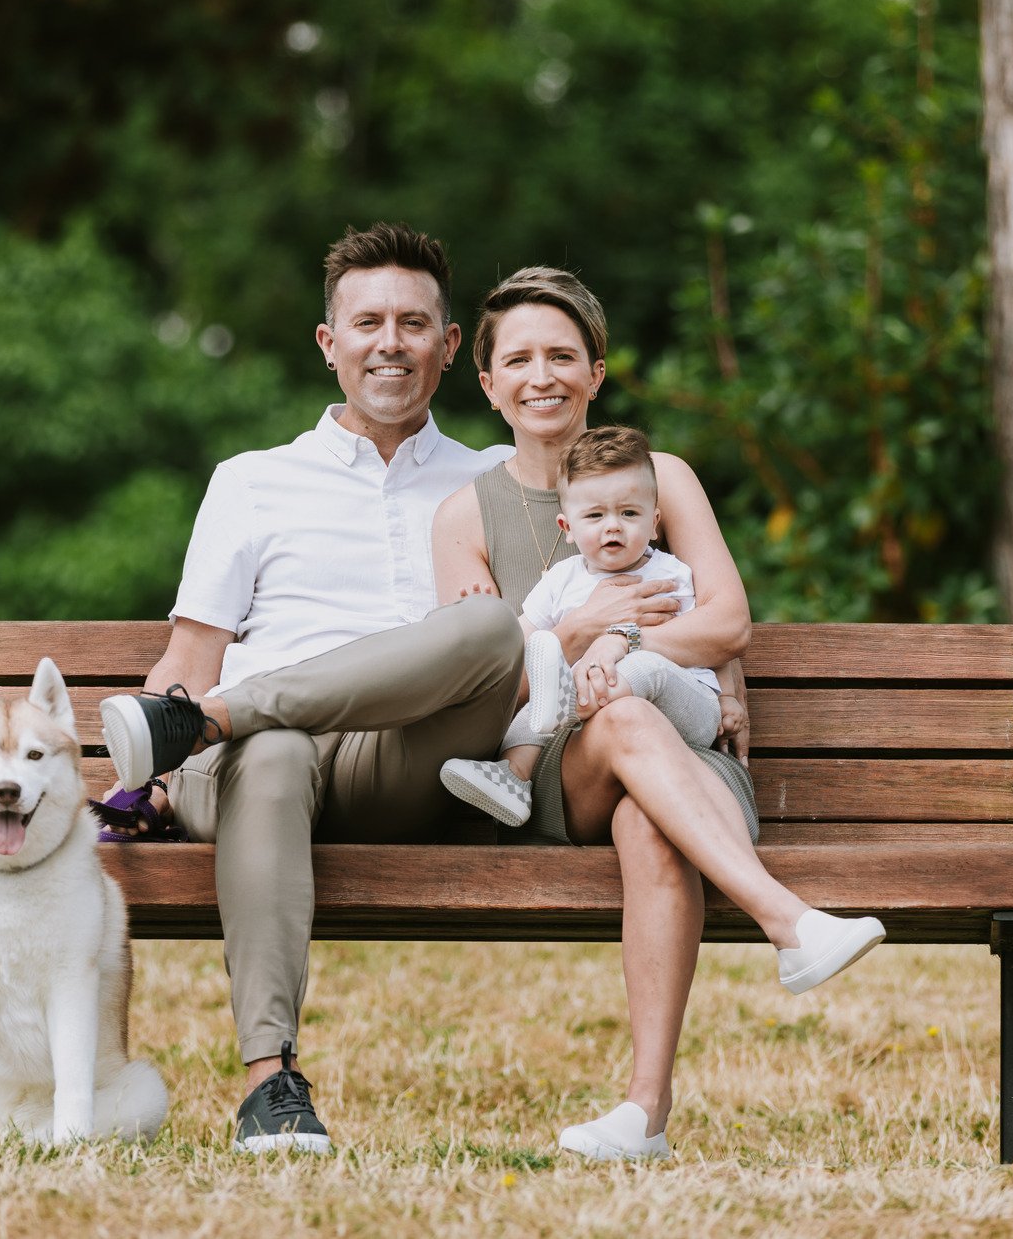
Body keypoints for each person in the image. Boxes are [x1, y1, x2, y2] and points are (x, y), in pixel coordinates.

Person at [430, 266, 884, 1162]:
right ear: (486, 384)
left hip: (689, 753)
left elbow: (728, 619)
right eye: (516, 359)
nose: (541, 375)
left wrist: (628, 645)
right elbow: (479, 685)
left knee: (649, 815)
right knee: (625, 734)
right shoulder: (461, 517)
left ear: (595, 370)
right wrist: (576, 632)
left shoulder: (661, 474)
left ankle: (643, 1114)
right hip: (560, 770)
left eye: (562, 354)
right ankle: (788, 922)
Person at [93, 223, 523, 1155]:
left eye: (414, 324)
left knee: (491, 628)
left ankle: (209, 725)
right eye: (366, 322)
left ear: (450, 348)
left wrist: (718, 664)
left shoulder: (496, 478)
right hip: (254, 769)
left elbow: (624, 575)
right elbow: (190, 652)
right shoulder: (252, 482)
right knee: (277, 747)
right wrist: (144, 778)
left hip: (408, 765)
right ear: (328, 343)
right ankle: (270, 1085)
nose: (390, 343)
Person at [440, 424, 727, 828]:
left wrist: (729, 697)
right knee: (544, 693)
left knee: (640, 668)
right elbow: (519, 647)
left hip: (682, 709)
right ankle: (512, 776)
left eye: (629, 513)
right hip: (594, 732)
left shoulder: (671, 574)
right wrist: (480, 621)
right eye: (595, 515)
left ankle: (570, 700)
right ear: (567, 528)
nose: (613, 526)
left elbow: (713, 642)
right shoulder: (561, 580)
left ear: (655, 522)